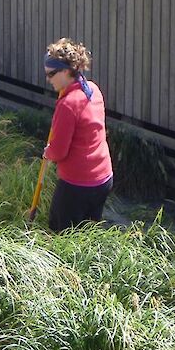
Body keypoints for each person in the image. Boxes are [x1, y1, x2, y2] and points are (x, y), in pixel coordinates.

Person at [42, 38, 113, 232]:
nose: (48, 79)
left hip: (78, 184)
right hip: (103, 178)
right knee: (88, 234)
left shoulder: (67, 104)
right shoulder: (93, 89)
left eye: (51, 74)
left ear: (66, 72)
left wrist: (48, 153)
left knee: (61, 232)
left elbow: (59, 152)